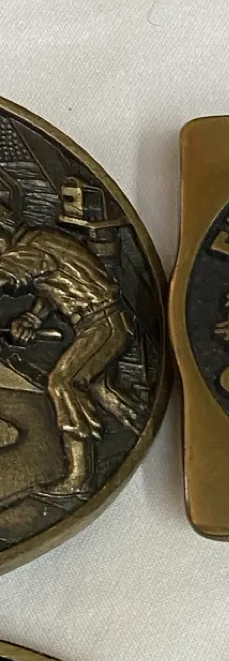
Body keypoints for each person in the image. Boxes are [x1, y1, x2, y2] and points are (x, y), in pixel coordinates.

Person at [0, 201, 143, 495]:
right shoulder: (41, 240)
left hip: (102, 324)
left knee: (64, 382)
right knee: (105, 393)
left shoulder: (30, 248)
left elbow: (12, 272)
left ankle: (79, 477)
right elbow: (55, 287)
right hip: (99, 322)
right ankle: (144, 428)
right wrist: (32, 318)